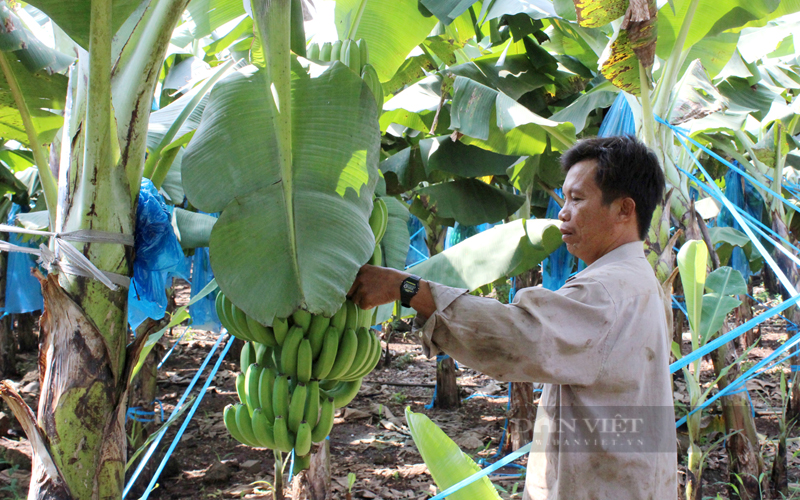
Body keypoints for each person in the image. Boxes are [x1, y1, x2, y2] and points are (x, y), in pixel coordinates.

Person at [348, 135, 678, 500]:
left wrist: (409, 289)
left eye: (578, 199)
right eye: (565, 198)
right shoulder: (638, 278)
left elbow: (518, 337)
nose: (563, 213)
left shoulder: (607, 291)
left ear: (624, 210)